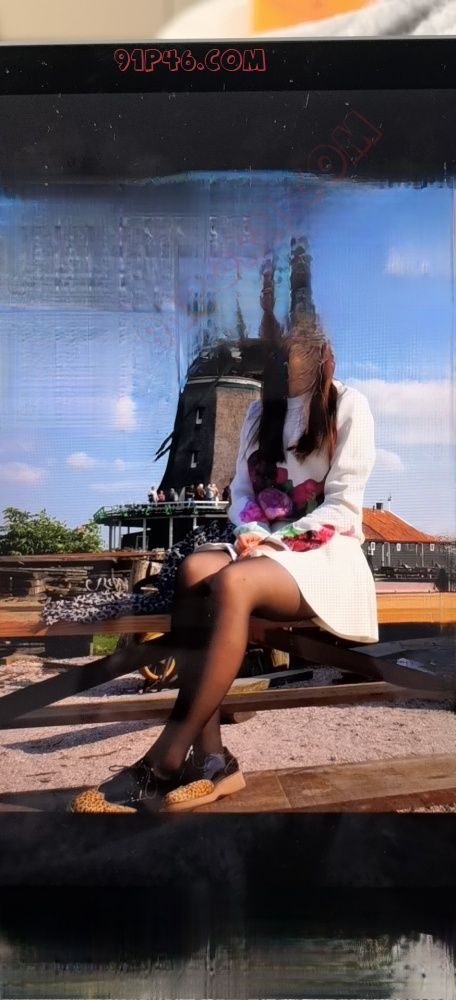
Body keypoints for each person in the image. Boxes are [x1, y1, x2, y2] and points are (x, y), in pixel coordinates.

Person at [71, 299, 378, 816]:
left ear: (320, 353)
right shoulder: (258, 411)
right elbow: (241, 493)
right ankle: (213, 759)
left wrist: (276, 542)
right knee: (196, 569)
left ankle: (164, 760)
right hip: (259, 547)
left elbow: (344, 504)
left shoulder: (349, 405)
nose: (278, 366)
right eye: (272, 355)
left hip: (324, 553)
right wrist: (253, 532)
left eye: (289, 355)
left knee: (233, 583)